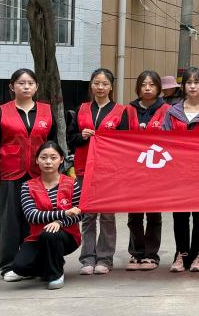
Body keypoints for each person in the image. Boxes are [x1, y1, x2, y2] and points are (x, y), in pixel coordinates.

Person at [0, 68, 57, 276]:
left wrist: (54, 173)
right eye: (21, 83)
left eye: (30, 83)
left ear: (37, 87)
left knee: (36, 220)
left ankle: (32, 263)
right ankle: (8, 265)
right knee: (9, 221)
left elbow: (52, 144)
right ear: (12, 87)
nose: (26, 87)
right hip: (8, 174)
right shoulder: (1, 112)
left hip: (38, 174)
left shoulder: (46, 111)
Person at [67, 68, 129, 275]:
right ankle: (87, 258)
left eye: (104, 83)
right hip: (84, 168)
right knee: (87, 214)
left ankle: (105, 258)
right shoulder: (82, 109)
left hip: (109, 171)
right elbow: (71, 139)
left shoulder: (120, 111)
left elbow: (125, 143)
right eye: (96, 83)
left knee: (107, 216)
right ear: (91, 85)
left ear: (111, 87)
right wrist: (82, 136)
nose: (100, 87)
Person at [162, 67, 199, 273]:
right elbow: (165, 141)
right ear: (183, 86)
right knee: (179, 216)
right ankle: (181, 254)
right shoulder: (173, 112)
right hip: (178, 172)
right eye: (189, 82)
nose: (193, 86)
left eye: (197, 82)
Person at [2, 141, 82, 290]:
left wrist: (59, 223)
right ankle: (48, 265)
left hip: (66, 236)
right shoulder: (28, 186)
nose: (48, 162)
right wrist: (63, 213)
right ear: (37, 160)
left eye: (53, 157)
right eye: (43, 157)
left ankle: (56, 274)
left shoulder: (72, 184)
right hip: (36, 237)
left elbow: (78, 214)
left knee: (50, 234)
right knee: (19, 267)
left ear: (61, 160)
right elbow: (31, 215)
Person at [123, 70, 170, 271]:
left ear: (158, 87)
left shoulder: (167, 110)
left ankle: (151, 254)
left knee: (153, 214)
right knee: (134, 214)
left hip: (157, 170)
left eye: (151, 84)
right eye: (143, 85)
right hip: (133, 170)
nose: (147, 88)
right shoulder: (129, 110)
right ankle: (136, 253)